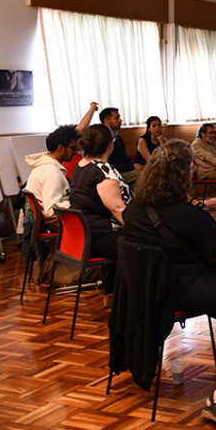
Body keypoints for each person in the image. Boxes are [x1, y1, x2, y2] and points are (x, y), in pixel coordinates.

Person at [122, 140, 216, 429]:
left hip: (150, 289)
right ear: (181, 175)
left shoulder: (134, 209)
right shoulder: (189, 215)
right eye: (191, 167)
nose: (193, 171)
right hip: (185, 289)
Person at [69, 124, 133, 301]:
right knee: (145, 245)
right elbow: (118, 209)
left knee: (126, 238)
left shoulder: (80, 166)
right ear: (110, 145)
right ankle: (133, 300)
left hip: (85, 236)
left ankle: (113, 295)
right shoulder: (103, 170)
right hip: (99, 236)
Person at [25, 125, 79, 231]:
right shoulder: (51, 172)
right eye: (73, 148)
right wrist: (77, 203)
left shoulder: (47, 166)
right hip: (53, 223)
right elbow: (51, 210)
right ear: (60, 148)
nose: (76, 152)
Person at [93, 107, 142, 185]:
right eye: (116, 118)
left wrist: (133, 165)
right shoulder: (103, 140)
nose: (120, 120)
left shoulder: (117, 136)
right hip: (116, 173)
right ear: (107, 121)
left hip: (128, 169)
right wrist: (132, 167)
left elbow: (123, 156)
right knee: (147, 176)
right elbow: (108, 164)